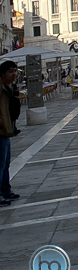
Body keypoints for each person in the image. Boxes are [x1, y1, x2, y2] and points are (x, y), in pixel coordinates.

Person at [0, 60, 20, 205]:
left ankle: (6, 190)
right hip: (0, 130)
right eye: (10, 71)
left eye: (15, 71)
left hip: (7, 129)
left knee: (5, 163)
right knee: (0, 164)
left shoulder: (8, 88)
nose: (14, 74)